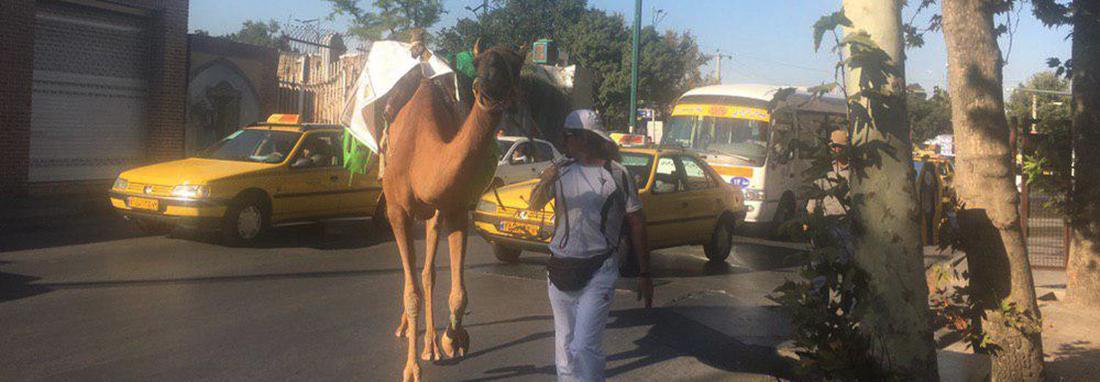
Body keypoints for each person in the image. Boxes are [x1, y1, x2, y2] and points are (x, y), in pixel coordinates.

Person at [528, 109, 653, 382]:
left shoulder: (617, 174)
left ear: (586, 138)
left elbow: (637, 223)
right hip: (559, 269)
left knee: (584, 347)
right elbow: (534, 204)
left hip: (599, 270)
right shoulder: (560, 171)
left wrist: (645, 274)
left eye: (569, 135)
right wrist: (545, 180)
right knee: (564, 348)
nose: (564, 141)